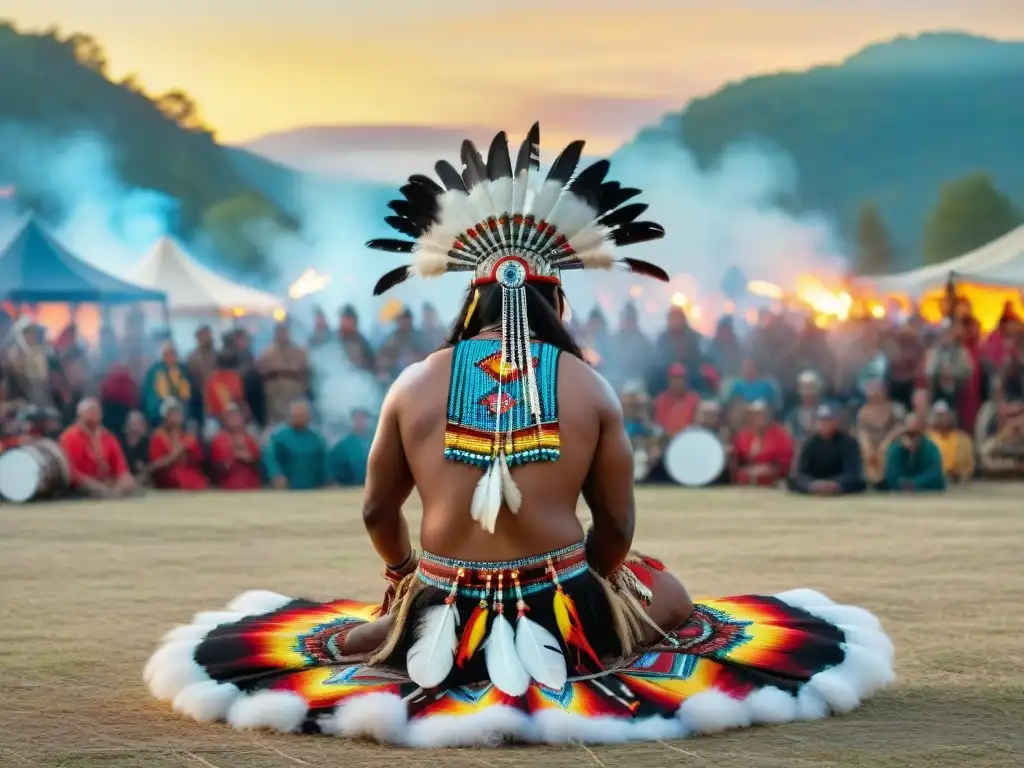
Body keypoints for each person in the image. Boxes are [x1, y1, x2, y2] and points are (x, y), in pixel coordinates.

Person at [144, 125, 893, 745]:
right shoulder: (590, 385)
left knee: (375, 628)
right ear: (555, 301)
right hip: (564, 607)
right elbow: (620, 527)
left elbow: (377, 512)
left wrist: (407, 574)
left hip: (435, 606)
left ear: (470, 302)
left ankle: (408, 629)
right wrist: (606, 580)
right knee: (670, 592)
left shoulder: (411, 383)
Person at [58, 398, 136, 498]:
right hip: (83, 483)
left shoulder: (108, 436)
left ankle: (112, 495)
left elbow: (121, 468)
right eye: (90, 410)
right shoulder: (70, 437)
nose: (94, 413)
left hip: (108, 482)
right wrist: (98, 487)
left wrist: (119, 486)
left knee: (129, 481)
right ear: (80, 414)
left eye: (96, 410)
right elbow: (72, 472)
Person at [787, 405, 866, 496]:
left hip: (840, 484)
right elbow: (801, 472)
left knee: (858, 482)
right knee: (793, 480)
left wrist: (835, 484)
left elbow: (853, 473)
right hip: (815, 482)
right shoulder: (810, 443)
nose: (824, 424)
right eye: (821, 421)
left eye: (828, 420)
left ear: (837, 422)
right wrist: (813, 485)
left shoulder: (849, 443)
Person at [262, 398, 330, 490]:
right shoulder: (279, 436)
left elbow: (325, 461)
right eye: (296, 414)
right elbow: (270, 458)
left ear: (308, 416)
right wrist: (276, 475)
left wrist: (328, 479)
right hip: (288, 487)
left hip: (313, 486)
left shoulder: (316, 437)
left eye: (302, 414)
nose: (299, 417)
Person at [148, 398, 209, 491]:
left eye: (177, 413)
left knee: (200, 481)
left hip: (186, 473)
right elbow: (155, 465)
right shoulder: (158, 436)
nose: (175, 417)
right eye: (172, 413)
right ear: (165, 417)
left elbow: (197, 460)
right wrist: (173, 455)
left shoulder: (187, 437)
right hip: (168, 476)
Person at [881, 413, 946, 492]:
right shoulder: (895, 450)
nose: (913, 439)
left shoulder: (931, 449)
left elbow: (936, 475)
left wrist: (913, 484)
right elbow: (890, 476)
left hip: (927, 494)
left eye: (916, 434)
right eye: (909, 434)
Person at [209, 405, 262, 490]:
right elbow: (216, 470)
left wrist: (249, 460)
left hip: (252, 487)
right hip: (229, 488)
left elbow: (259, 467)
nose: (235, 419)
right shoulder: (219, 439)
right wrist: (233, 455)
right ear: (225, 420)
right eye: (231, 416)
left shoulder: (250, 439)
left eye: (237, 415)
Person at [925, 401, 974, 484]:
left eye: (943, 415)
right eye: (937, 415)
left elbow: (969, 467)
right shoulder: (926, 438)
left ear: (950, 416)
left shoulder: (963, 439)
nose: (940, 418)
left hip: (958, 482)